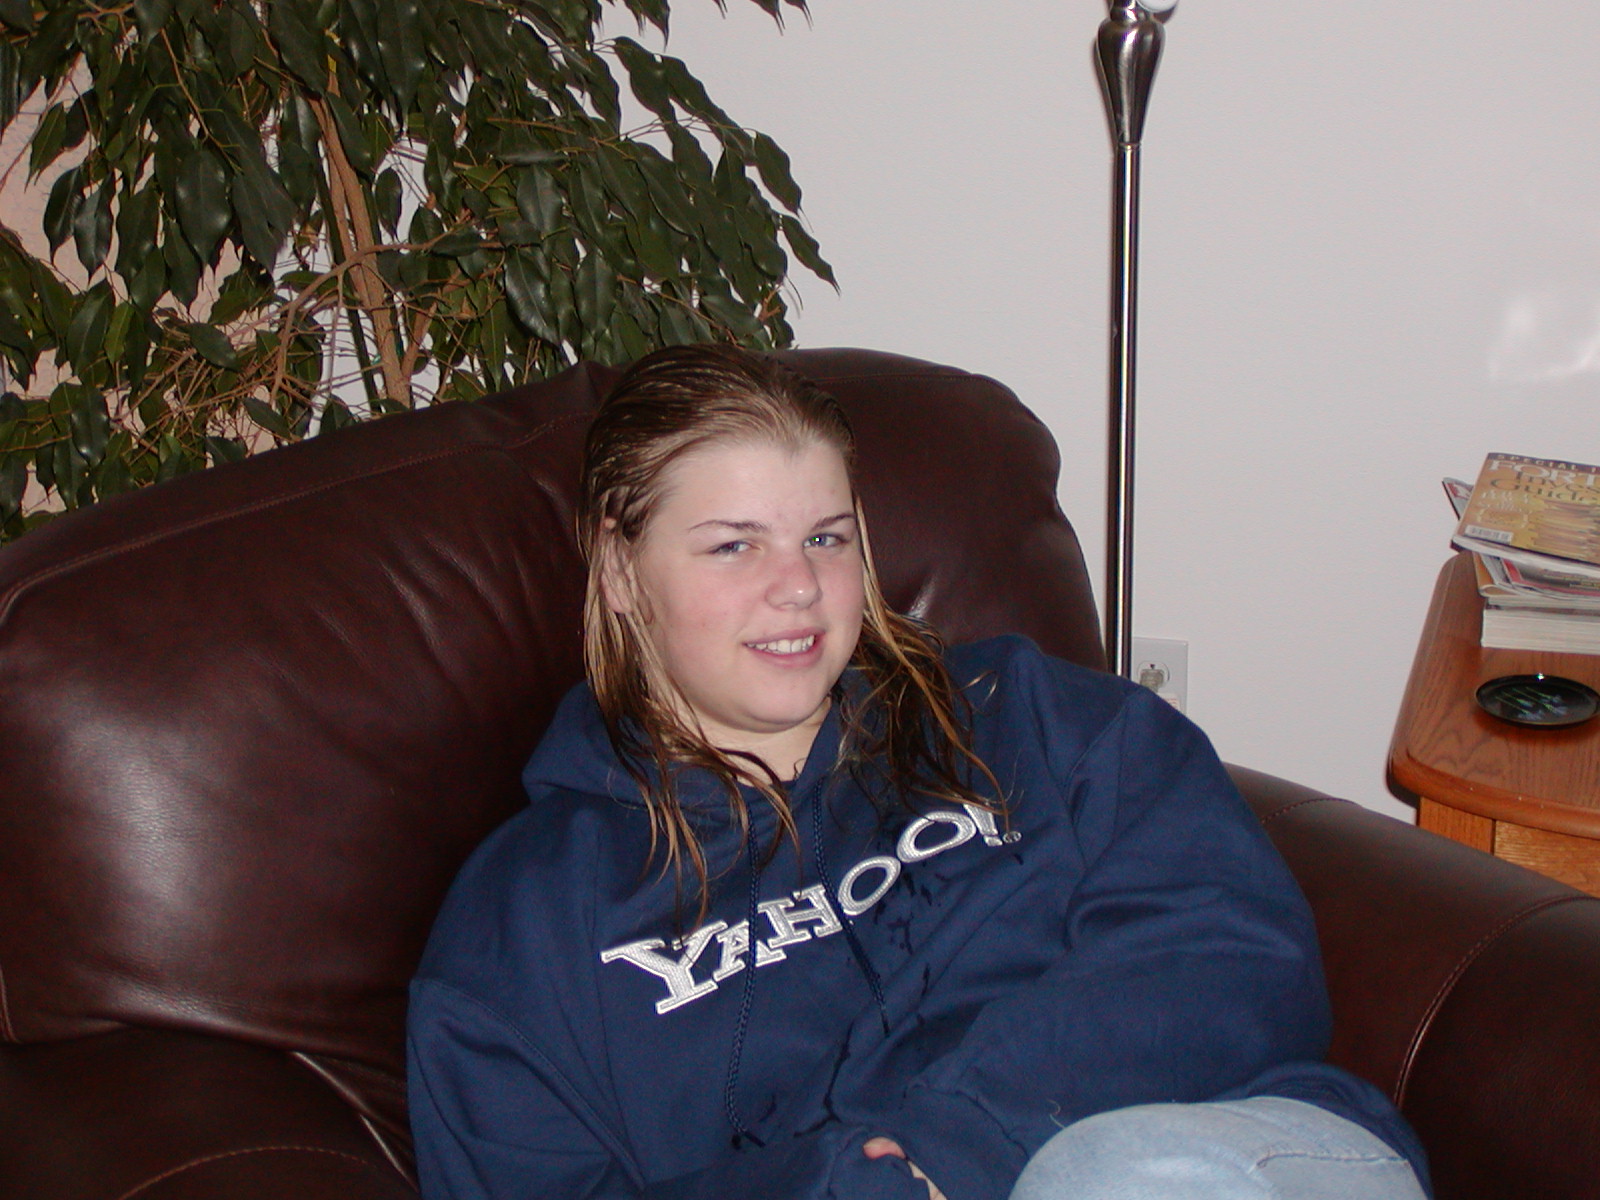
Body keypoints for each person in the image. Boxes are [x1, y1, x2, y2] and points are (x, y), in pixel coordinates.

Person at [406, 345, 1431, 1200]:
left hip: (1212, 1154)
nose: (799, 587)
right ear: (623, 572)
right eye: (733, 547)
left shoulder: (1023, 719)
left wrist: (957, 1142)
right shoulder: (524, 933)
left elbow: (1234, 958)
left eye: (826, 537)